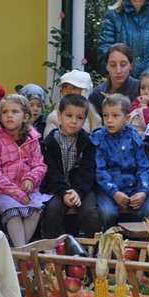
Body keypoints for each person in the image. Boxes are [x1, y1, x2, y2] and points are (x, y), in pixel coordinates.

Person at [0, 94, 49, 247]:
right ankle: (22, 253)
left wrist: (31, 179)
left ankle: (18, 252)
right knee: (13, 212)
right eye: (5, 112)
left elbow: (40, 165)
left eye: (15, 112)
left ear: (26, 117)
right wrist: (16, 193)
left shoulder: (32, 139)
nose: (9, 115)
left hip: (28, 189)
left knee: (35, 211)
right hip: (5, 191)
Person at [90, 93, 149, 230]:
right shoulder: (99, 138)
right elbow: (100, 170)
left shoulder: (134, 138)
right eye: (105, 115)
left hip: (134, 187)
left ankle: (141, 243)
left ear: (126, 118)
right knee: (107, 213)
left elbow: (143, 167)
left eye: (115, 115)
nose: (109, 120)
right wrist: (114, 192)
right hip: (108, 189)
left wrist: (143, 191)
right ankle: (108, 240)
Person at [40, 94, 101, 238]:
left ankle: (96, 246)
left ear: (85, 120)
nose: (74, 121)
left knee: (90, 211)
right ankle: (50, 245)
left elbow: (88, 170)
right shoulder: (49, 143)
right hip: (57, 188)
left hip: (82, 188)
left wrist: (78, 191)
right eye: (69, 115)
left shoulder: (88, 143)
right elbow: (51, 172)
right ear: (59, 115)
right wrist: (63, 192)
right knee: (53, 208)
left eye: (79, 118)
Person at [44, 70, 101, 136]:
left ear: (85, 91)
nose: (68, 91)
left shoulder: (95, 119)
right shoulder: (54, 117)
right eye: (65, 87)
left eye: (74, 87)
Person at [89, 43, 139, 117]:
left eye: (123, 65)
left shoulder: (141, 90)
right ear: (106, 66)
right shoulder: (96, 95)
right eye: (113, 65)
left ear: (131, 65)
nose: (118, 71)